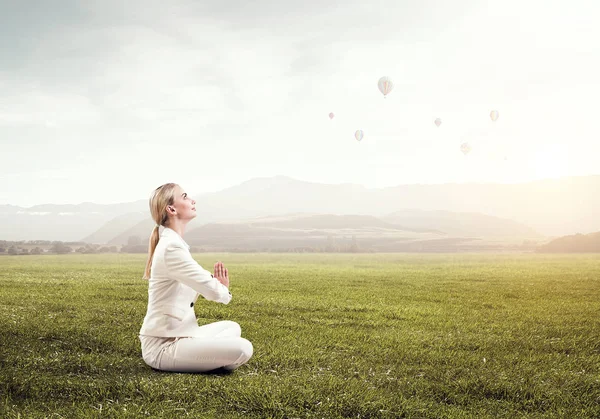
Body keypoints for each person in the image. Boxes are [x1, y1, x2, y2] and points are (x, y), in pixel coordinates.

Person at [139, 183, 253, 372]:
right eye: (184, 196)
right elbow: (214, 291)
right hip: (163, 346)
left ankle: (206, 360)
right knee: (243, 348)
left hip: (184, 335)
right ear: (171, 209)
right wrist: (221, 288)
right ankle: (210, 363)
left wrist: (216, 285)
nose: (192, 200)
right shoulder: (171, 248)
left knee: (232, 327)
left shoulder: (173, 243)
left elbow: (203, 281)